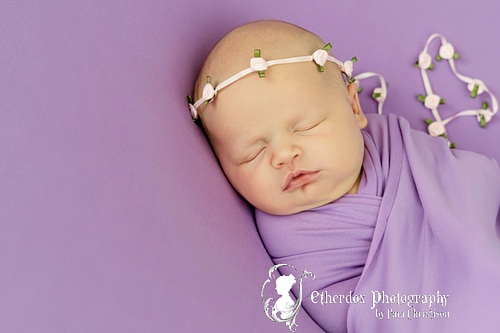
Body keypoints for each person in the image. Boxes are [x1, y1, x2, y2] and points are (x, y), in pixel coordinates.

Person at [188, 20, 500, 332]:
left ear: (353, 107)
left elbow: (466, 180)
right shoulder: (290, 237)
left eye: (306, 126)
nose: (283, 155)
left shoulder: (393, 142)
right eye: (252, 153)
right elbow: (354, 312)